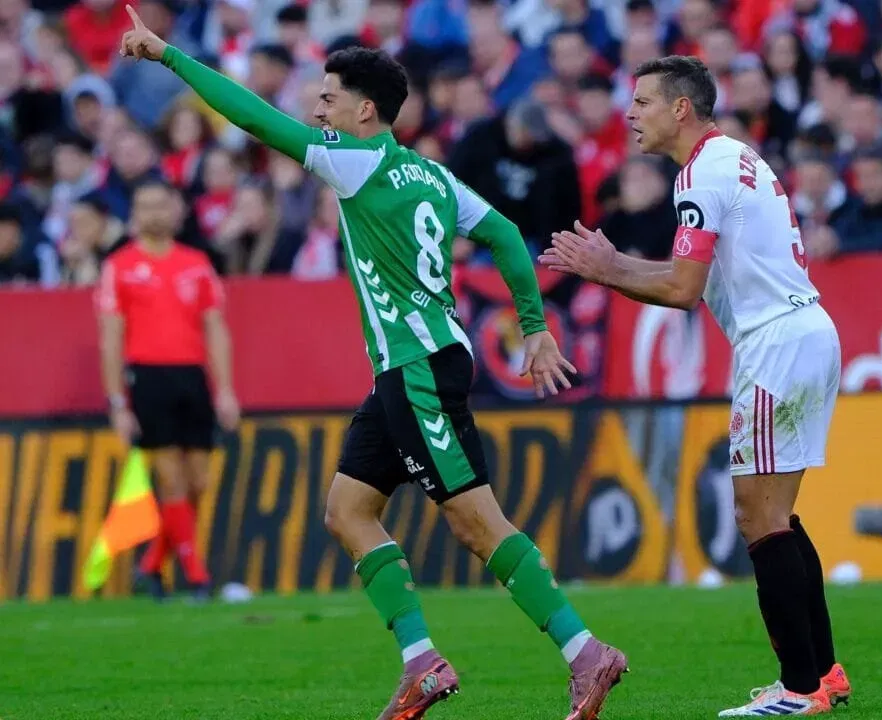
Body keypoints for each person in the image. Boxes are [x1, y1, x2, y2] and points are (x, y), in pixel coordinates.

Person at [119, 8, 628, 720]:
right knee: (348, 509)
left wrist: (169, 56)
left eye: (326, 98)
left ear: (365, 110)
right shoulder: (433, 176)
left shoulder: (354, 160)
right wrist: (536, 326)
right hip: (410, 367)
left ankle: (586, 653)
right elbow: (508, 235)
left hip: (418, 367)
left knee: (477, 523)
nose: (315, 108)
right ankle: (421, 662)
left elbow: (256, 120)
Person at [540, 56, 848, 717]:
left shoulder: (701, 172)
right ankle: (824, 673)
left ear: (681, 108)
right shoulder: (733, 156)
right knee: (779, 515)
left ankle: (798, 690)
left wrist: (605, 266)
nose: (631, 114)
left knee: (757, 518)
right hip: (804, 331)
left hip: (777, 343)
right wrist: (615, 263)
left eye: (644, 101)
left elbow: (682, 288)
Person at [95, 180, 239, 602]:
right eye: (145, 206)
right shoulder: (119, 266)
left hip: (192, 377)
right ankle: (197, 577)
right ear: (134, 215)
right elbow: (110, 338)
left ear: (175, 211)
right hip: (148, 377)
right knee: (171, 477)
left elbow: (216, 331)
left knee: (199, 481)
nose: (154, 213)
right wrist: (118, 402)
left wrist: (225, 389)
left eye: (161, 205)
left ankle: (151, 565)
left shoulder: (196, 264)